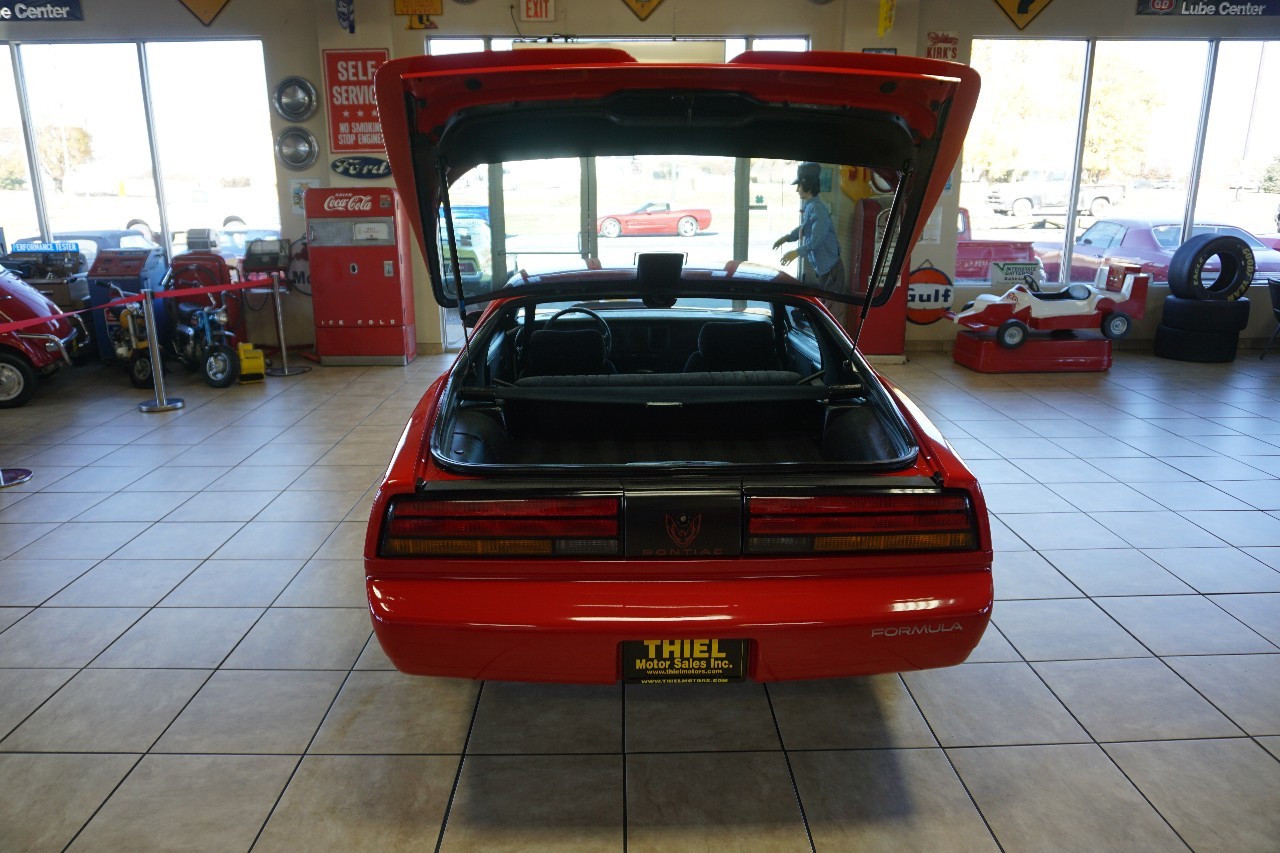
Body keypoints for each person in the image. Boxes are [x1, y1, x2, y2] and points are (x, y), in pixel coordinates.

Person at [773, 162, 845, 295]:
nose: (797, 190)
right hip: (824, 270)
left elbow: (816, 240)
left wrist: (796, 253)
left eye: (799, 186)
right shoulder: (810, 206)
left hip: (831, 271)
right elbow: (805, 228)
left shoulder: (818, 209)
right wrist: (788, 238)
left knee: (832, 307)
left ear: (807, 185)